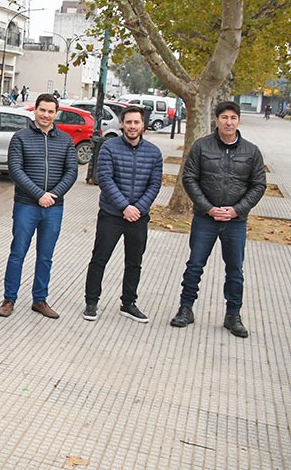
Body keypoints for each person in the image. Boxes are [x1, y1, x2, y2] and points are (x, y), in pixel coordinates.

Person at [169, 101, 266, 338]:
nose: (228, 122)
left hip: (236, 221)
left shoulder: (251, 152)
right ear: (216, 120)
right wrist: (209, 208)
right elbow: (189, 178)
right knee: (194, 265)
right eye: (224, 117)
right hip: (206, 219)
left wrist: (236, 210)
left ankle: (233, 314)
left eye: (233, 118)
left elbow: (258, 185)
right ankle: (186, 308)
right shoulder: (202, 147)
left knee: (235, 270)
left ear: (239, 121)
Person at [0, 93, 78, 319]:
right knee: (18, 253)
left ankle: (40, 300)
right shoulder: (20, 138)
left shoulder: (64, 140)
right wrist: (38, 195)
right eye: (42, 110)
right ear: (35, 110)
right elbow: (15, 169)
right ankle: (9, 298)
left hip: (54, 207)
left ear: (56, 113)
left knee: (46, 256)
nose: (46, 115)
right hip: (26, 205)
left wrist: (53, 195)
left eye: (50, 111)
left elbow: (71, 171)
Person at [82, 105, 163, 323]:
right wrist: (124, 207)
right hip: (111, 214)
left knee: (134, 261)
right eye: (129, 122)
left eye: (136, 122)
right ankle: (91, 302)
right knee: (99, 259)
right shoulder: (109, 147)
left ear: (143, 125)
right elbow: (105, 179)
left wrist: (138, 208)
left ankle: (128, 303)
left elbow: (155, 184)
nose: (132, 126)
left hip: (139, 216)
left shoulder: (154, 152)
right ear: (122, 124)